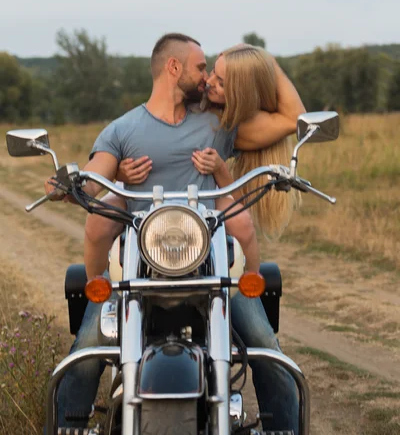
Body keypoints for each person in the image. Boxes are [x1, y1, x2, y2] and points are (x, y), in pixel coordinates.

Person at [45, 34, 304, 433]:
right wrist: (69, 183)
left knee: (266, 347)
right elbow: (95, 178)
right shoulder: (123, 129)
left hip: (211, 262)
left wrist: (263, 61)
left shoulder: (219, 125)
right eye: (202, 67)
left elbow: (292, 120)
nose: (207, 77)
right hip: (139, 269)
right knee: (86, 348)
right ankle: (67, 427)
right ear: (174, 68)